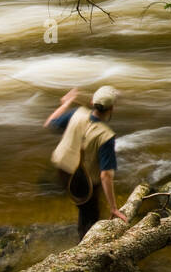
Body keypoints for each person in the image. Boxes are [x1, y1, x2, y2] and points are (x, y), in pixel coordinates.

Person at [45, 85, 129, 239]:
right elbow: (106, 176)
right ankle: (84, 246)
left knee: (83, 208)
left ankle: (81, 234)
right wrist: (114, 208)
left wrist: (65, 103)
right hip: (83, 181)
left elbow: (50, 123)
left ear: (92, 102)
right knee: (90, 216)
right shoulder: (106, 136)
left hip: (62, 170)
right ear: (111, 109)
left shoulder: (76, 113)